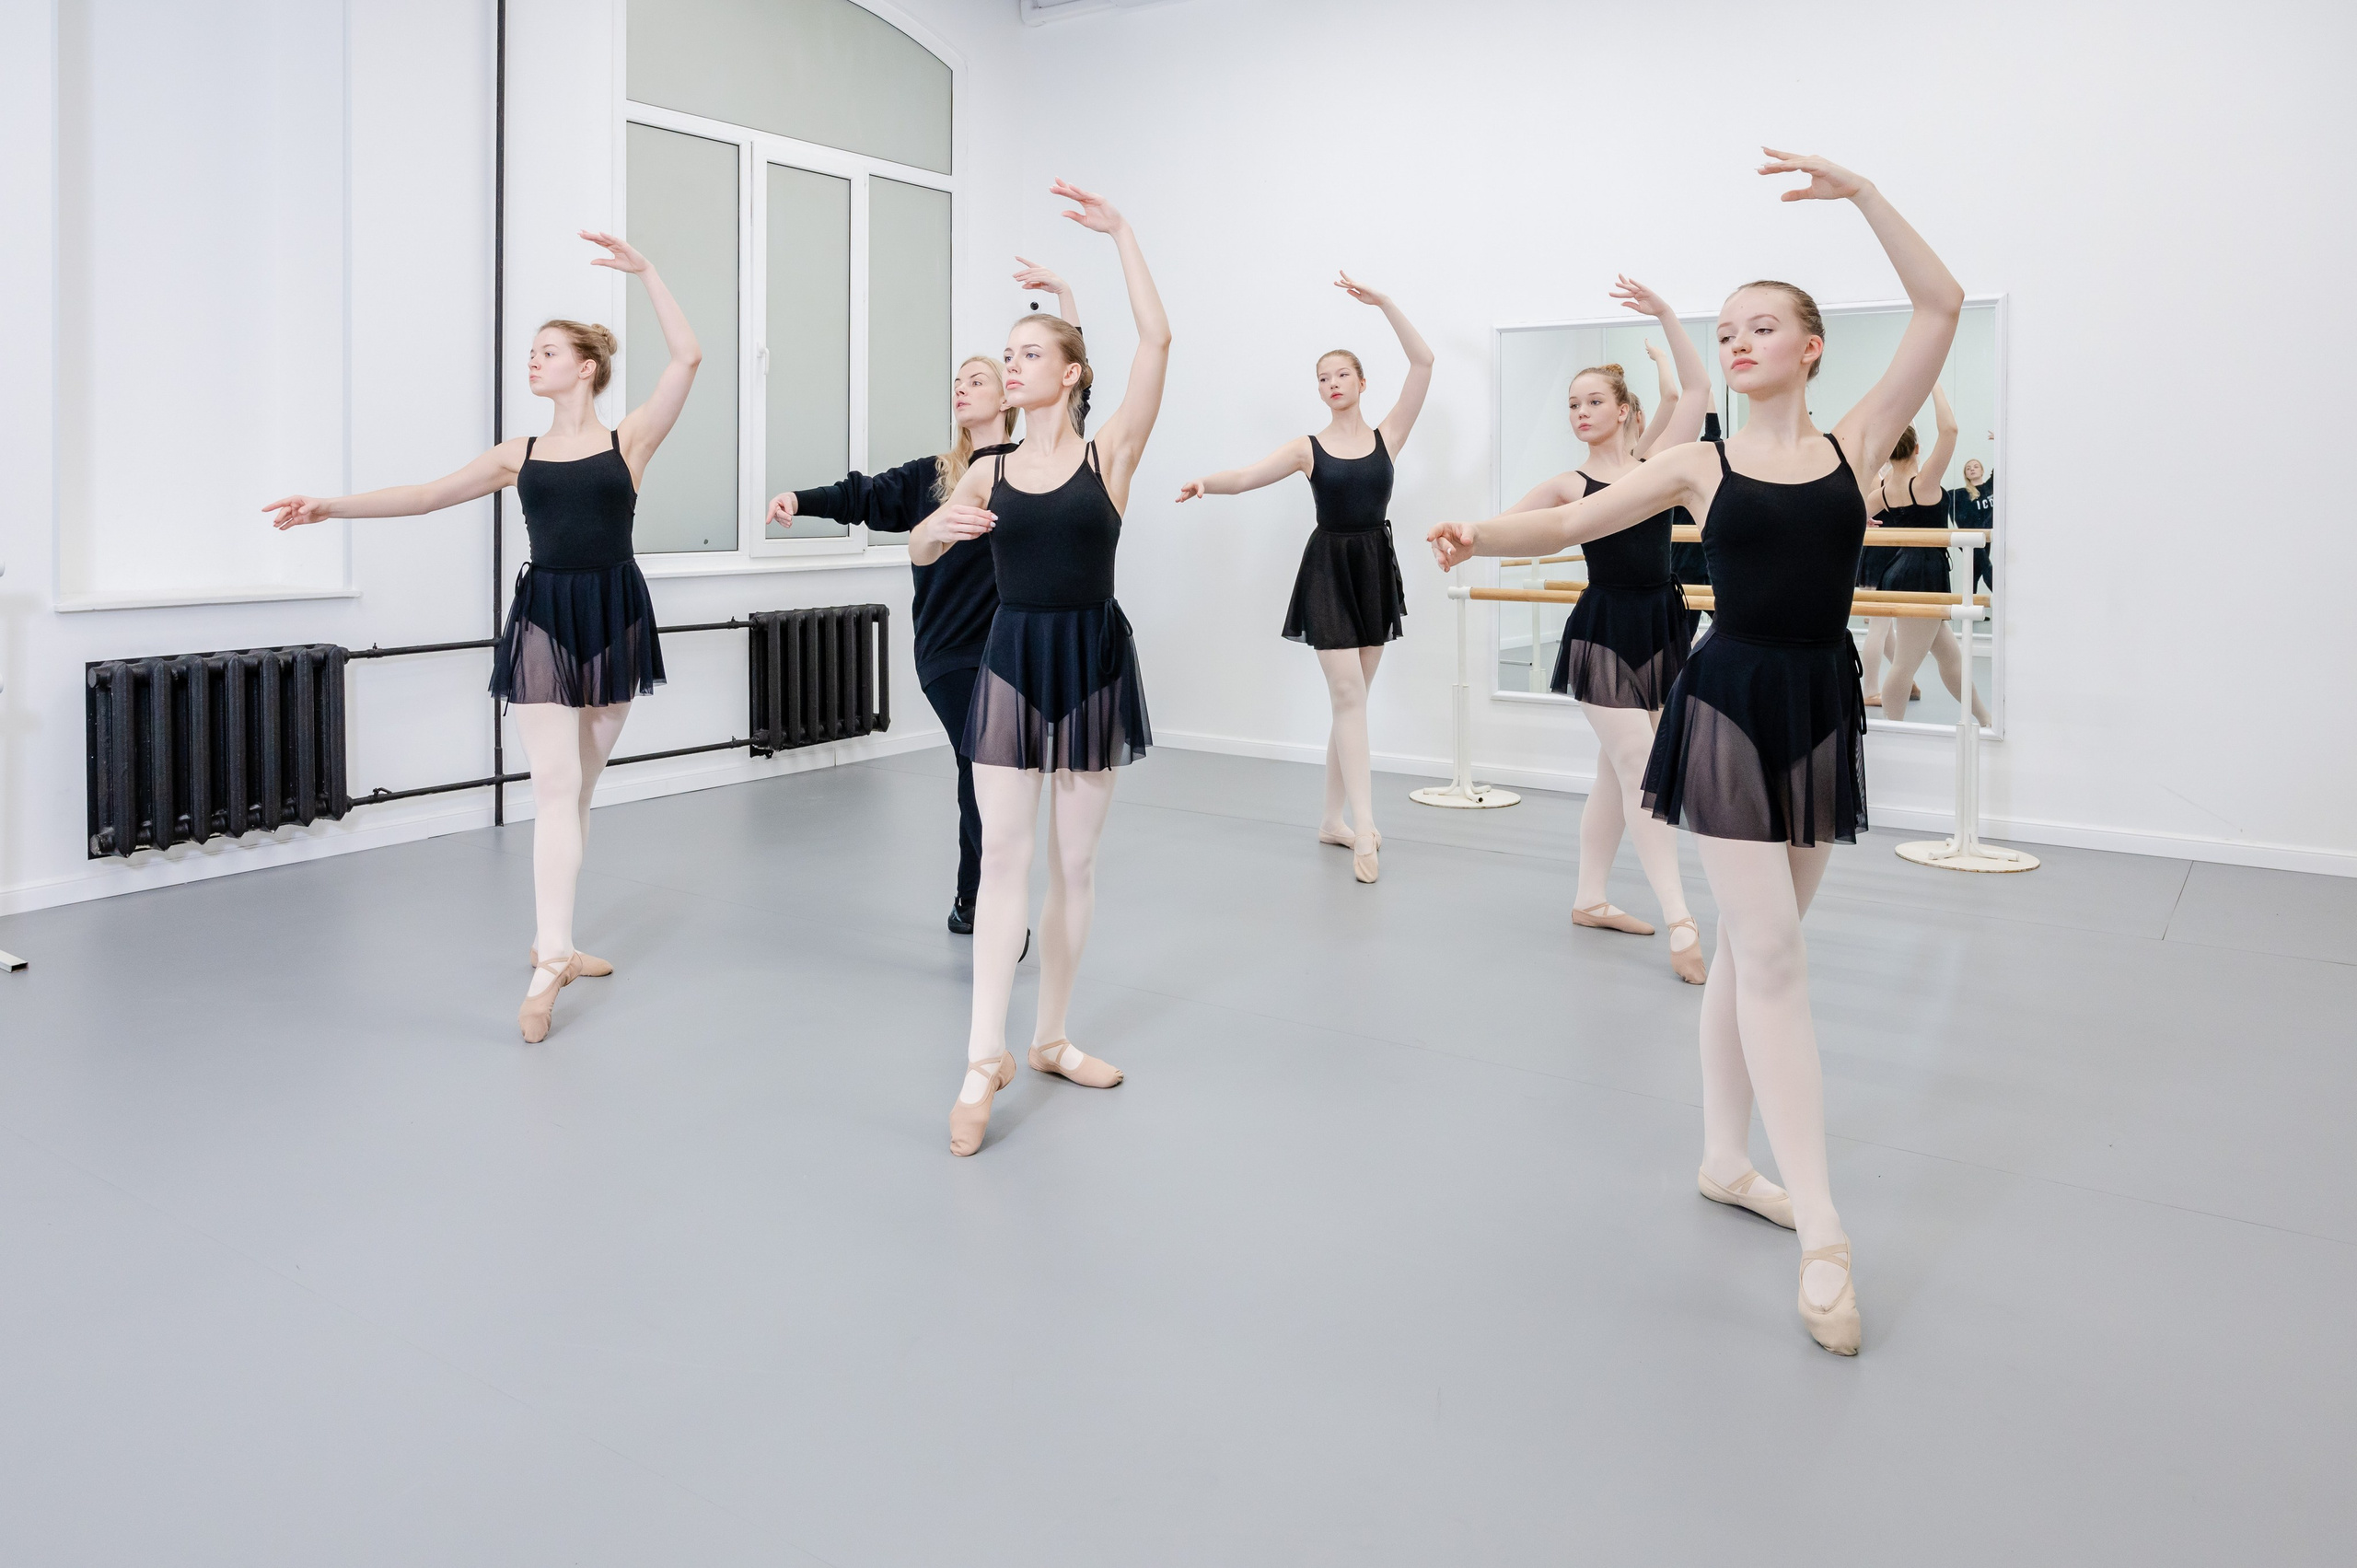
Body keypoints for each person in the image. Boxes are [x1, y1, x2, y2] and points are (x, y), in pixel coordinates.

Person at [1429, 149, 1966, 1354]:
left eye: (1760, 324)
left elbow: (1938, 307)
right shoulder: (1696, 461)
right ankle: (1823, 1225)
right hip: (1723, 703)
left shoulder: (1858, 438)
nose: (1736, 340)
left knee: (1758, 947)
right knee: (1771, 954)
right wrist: (1482, 529)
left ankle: (1726, 1156)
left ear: (1811, 346)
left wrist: (1867, 196)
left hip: (1822, 704)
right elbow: (1569, 518)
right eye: (1724, 328)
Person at [267, 232, 701, 1043]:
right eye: (531, 353)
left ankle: (556, 940)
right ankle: (551, 960)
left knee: (579, 787)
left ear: (586, 367)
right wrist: (331, 506)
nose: (532, 362)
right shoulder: (519, 452)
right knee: (551, 785)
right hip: (544, 617)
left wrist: (647, 271)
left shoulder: (629, 439)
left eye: (547, 352)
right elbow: (428, 495)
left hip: (612, 614)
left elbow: (688, 356)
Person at [910, 183, 1170, 1157]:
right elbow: (925, 553)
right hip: (1011, 663)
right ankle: (985, 1054)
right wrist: (930, 531)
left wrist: (1121, 236)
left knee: (1076, 863)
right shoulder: (987, 468)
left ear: (1066, 373)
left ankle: (1052, 1033)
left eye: (1027, 354)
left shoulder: (1112, 454)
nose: (1008, 366)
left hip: (1092, 660)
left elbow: (1156, 345)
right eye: (1005, 354)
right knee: (1007, 862)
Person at [766, 261, 1080, 937]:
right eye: (957, 383)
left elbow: (1080, 391)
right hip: (950, 652)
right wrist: (802, 500)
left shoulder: (1032, 467)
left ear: (1009, 396)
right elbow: (861, 494)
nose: (962, 391)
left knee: (1001, 771)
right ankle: (991, 903)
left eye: (978, 380)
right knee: (986, 760)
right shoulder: (930, 478)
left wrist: (1067, 303)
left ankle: (973, 899)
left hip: (1017, 649)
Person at [1174, 274, 1434, 883]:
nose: (1331, 384)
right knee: (1348, 699)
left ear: (1362, 382)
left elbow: (1423, 362)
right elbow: (1246, 475)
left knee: (1354, 704)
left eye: (1341, 374)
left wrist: (1386, 303)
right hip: (1328, 571)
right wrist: (1207, 482)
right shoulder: (1307, 447)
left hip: (1374, 567)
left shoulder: (1387, 436)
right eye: (1322, 377)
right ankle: (1363, 827)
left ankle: (1330, 820)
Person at [1495, 277, 1710, 982]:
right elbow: (1511, 529)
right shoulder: (1567, 485)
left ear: (1625, 411)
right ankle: (1681, 917)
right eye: (1572, 404)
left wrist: (1669, 316)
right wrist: (1464, 532)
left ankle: (1591, 896)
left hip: (1661, 622)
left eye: (1593, 402)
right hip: (1603, 627)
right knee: (1639, 765)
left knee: (1614, 774)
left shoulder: (1655, 467)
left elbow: (1696, 392)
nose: (1580, 412)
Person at [1867, 385, 1988, 723]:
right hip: (1922, 574)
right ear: (1918, 448)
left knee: (1949, 657)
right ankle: (1894, 730)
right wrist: (1933, 386)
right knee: (1905, 663)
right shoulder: (1924, 482)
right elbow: (1949, 429)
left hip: (1902, 569)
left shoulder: (1886, 489)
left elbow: (1859, 506)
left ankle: (1984, 718)